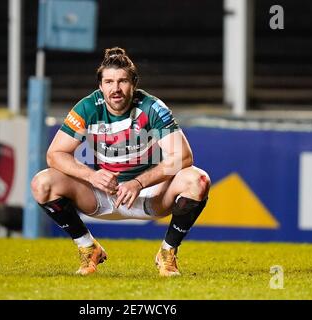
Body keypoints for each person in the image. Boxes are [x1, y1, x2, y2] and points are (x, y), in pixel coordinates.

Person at [31, 47, 211, 277]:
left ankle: (167, 254)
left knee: (198, 180)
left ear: (133, 83)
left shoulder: (152, 107)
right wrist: (91, 175)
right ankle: (88, 247)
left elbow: (183, 157)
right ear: (100, 86)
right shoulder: (87, 107)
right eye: (109, 82)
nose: (115, 89)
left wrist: (138, 183)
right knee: (42, 183)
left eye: (122, 81)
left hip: (150, 195)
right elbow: (54, 154)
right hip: (101, 195)